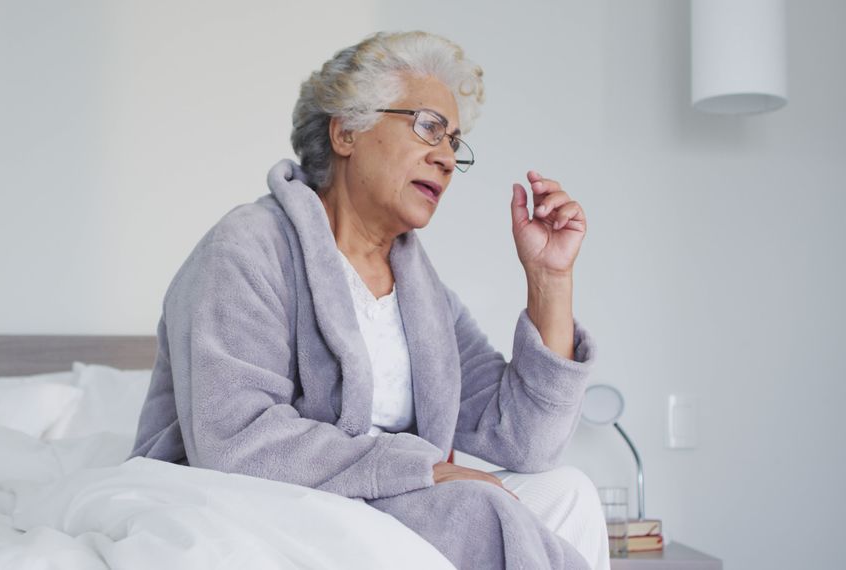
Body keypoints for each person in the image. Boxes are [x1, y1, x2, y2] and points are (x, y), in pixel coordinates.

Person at [132, 31, 608, 570]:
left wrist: (550, 278)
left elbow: (525, 442)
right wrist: (417, 468)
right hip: (264, 506)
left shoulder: (424, 296)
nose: (447, 159)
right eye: (429, 127)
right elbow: (234, 438)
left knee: (569, 491)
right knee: (475, 511)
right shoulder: (246, 247)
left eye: (454, 141)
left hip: (381, 503)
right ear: (346, 132)